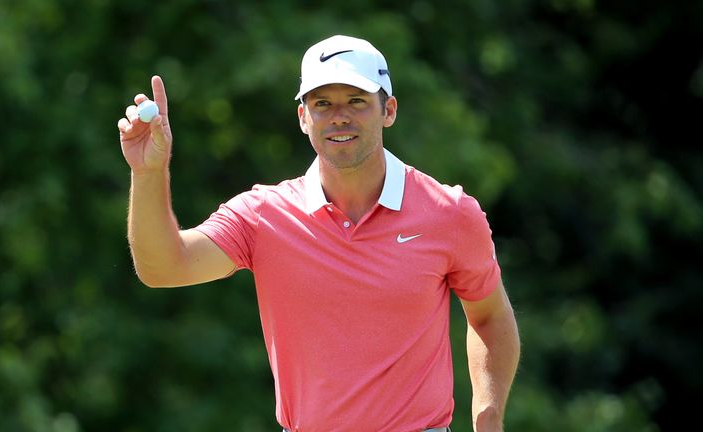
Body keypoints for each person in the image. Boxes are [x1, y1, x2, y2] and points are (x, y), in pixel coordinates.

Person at [118, 34, 520, 432]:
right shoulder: (263, 215)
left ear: (389, 110)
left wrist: (488, 416)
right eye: (322, 103)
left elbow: (489, 316)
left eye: (357, 101)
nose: (339, 116)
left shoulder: (448, 213)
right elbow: (163, 268)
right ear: (303, 117)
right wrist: (148, 173)